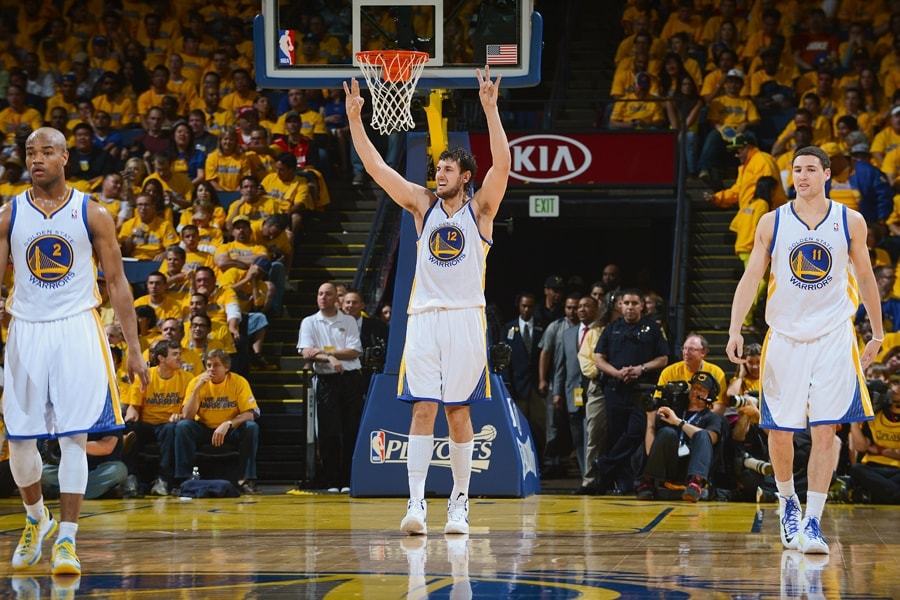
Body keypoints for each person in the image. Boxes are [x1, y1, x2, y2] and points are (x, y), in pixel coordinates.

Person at [344, 66, 510, 535]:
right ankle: (416, 504)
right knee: (423, 409)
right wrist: (357, 120)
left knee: (459, 412)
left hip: (465, 320)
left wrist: (491, 109)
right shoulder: (422, 205)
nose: (438, 173)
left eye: (448, 169)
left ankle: (459, 503)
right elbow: (378, 169)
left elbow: (503, 165)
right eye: (437, 168)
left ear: (466, 176)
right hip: (423, 320)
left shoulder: (482, 209)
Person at [0, 127, 148, 576]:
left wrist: (136, 349)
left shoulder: (92, 212)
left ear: (65, 157)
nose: (36, 159)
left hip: (78, 328)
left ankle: (67, 538)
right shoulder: (9, 214)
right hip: (26, 329)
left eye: (46, 151)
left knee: (73, 439)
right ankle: (35, 518)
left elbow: (118, 283)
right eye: (29, 152)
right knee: (19, 442)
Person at [726, 145, 884, 555]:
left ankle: (814, 519)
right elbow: (751, 278)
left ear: (827, 174)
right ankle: (787, 503)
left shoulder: (850, 221)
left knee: (825, 430)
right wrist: (735, 327)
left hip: (834, 335)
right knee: (779, 431)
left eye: (811, 169)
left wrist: (879, 334)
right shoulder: (771, 222)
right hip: (785, 337)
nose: (802, 176)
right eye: (796, 170)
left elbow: (867, 279)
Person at [593, 290, 669, 494]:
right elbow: (599, 358)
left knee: (636, 431)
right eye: (626, 303)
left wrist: (641, 368)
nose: (630, 306)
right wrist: (617, 373)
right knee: (616, 436)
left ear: (642, 305)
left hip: (642, 390)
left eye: (635, 303)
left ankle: (605, 464)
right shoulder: (611, 328)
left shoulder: (653, 328)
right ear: (620, 305)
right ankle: (624, 483)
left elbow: (663, 358)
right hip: (615, 388)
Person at [297, 282, 364, 493]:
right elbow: (305, 351)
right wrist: (330, 358)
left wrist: (325, 353)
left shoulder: (349, 320)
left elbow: (354, 351)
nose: (323, 297)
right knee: (328, 431)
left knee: (351, 428)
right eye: (319, 293)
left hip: (350, 377)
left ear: (337, 298)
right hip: (326, 380)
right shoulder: (309, 322)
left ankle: (348, 478)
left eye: (327, 294)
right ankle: (332, 479)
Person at [175, 349, 260, 494]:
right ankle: (184, 479)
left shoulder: (238, 382)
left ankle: (246, 479)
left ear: (226, 368)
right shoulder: (196, 382)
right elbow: (188, 416)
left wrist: (228, 424)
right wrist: (196, 391)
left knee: (251, 427)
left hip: (229, 429)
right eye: (208, 365)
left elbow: (249, 414)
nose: (211, 369)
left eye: (216, 365)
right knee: (183, 426)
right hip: (204, 427)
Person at [636, 371, 729, 501]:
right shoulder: (674, 412)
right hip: (672, 465)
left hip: (693, 466)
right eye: (694, 388)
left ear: (710, 396)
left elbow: (710, 439)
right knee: (667, 432)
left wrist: (678, 422)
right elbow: (649, 450)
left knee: (702, 434)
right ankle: (649, 480)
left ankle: (696, 483)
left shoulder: (713, 418)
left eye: (701, 389)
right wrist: (650, 420)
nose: (696, 392)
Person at [123, 339, 193, 496]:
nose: (180, 358)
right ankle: (131, 477)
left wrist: (181, 415)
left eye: (179, 354)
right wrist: (131, 414)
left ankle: (163, 479)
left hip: (168, 424)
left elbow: (189, 409)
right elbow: (134, 406)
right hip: (147, 424)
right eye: (175, 355)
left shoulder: (187, 378)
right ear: (161, 358)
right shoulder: (145, 376)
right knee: (130, 427)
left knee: (170, 429)